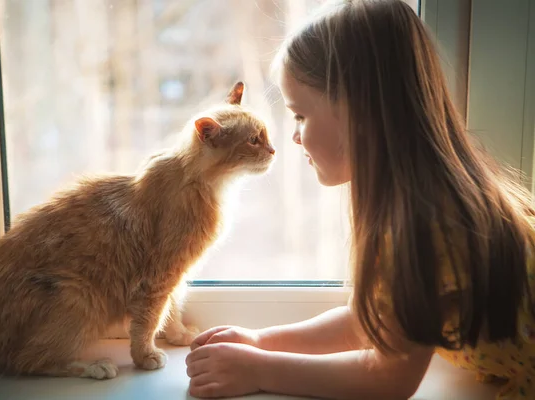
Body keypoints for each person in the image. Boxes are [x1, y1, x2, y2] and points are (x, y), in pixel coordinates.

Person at [184, 0, 535, 399]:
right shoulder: (421, 200)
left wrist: (258, 369)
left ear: (361, 113)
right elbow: (372, 322)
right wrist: (262, 340)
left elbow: (389, 378)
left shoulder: (427, 225)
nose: (295, 137)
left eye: (300, 115)